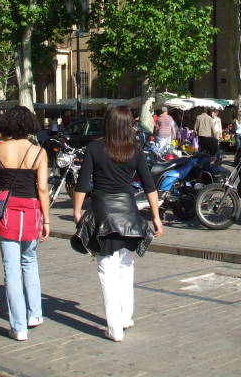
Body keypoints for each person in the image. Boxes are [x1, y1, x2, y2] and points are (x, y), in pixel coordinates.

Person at [72, 105, 162, 342]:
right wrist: (156, 216)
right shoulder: (135, 149)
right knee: (126, 267)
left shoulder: (94, 147)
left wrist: (77, 212)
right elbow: (150, 185)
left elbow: (82, 184)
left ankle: (114, 328)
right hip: (129, 213)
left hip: (103, 212)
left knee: (106, 270)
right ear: (128, 125)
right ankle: (125, 318)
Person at [0, 106, 50, 342]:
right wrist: (47, 218)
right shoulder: (39, 152)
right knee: (30, 262)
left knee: (11, 268)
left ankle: (18, 326)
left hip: (6, 210)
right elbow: (42, 188)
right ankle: (35, 313)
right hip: (31, 210)